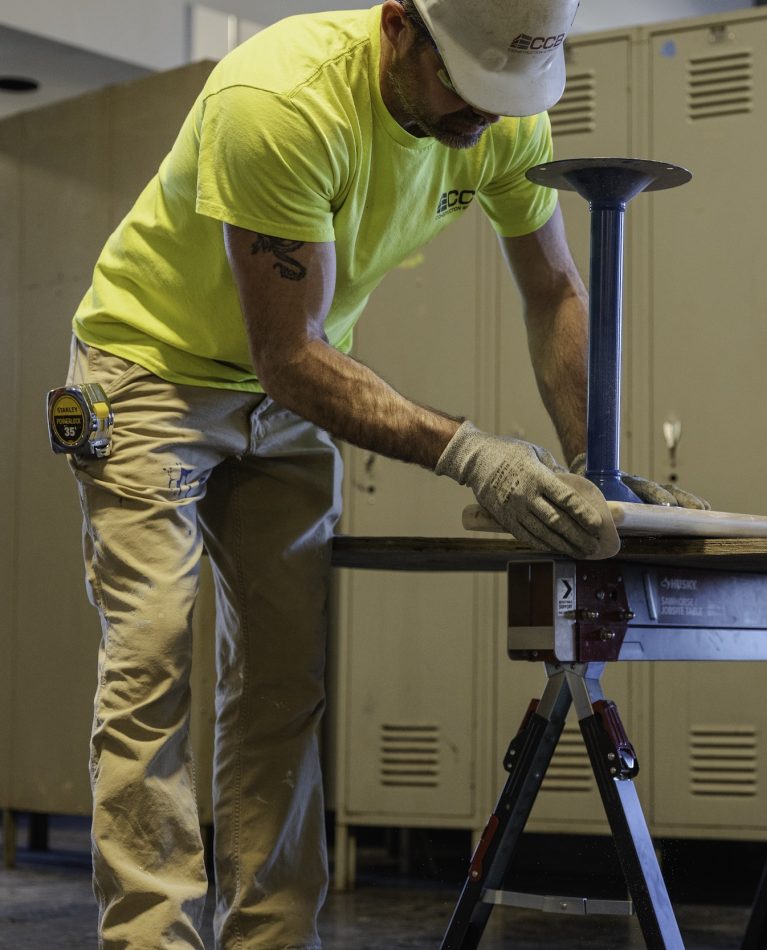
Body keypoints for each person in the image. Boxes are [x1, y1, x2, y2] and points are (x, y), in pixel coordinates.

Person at [62, 0, 706, 946]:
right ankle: (149, 938)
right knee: (151, 659)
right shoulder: (281, 101)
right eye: (463, 88)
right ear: (400, 27)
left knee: (285, 684)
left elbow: (554, 288)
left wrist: (590, 463)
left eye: (500, 95)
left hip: (287, 399)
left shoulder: (504, 104)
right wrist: (470, 452)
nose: (479, 119)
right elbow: (288, 352)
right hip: (153, 374)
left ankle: (272, 939)